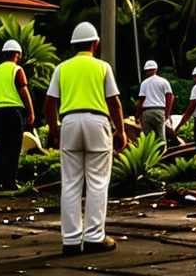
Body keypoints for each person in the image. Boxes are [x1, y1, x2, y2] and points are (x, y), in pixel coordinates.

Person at [45, 22, 127, 256]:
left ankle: (70, 241)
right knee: (98, 182)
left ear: (73, 45)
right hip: (97, 123)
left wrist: (54, 130)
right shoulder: (102, 67)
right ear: (95, 43)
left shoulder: (61, 68)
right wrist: (120, 131)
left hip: (69, 122)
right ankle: (94, 237)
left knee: (71, 183)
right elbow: (114, 102)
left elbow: (50, 103)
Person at [0, 39, 34, 192]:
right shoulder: (17, 69)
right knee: (13, 149)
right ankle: (9, 183)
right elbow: (23, 91)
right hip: (13, 112)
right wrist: (30, 112)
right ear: (17, 55)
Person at [134, 60, 173, 140]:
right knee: (161, 137)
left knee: (147, 138)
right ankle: (162, 151)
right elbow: (169, 97)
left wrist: (138, 114)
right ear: (156, 69)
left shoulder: (144, 83)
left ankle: (150, 152)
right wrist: (167, 113)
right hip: (159, 110)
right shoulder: (164, 81)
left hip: (147, 112)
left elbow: (141, 100)